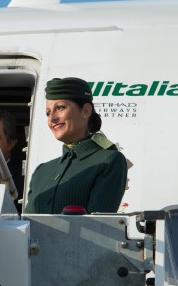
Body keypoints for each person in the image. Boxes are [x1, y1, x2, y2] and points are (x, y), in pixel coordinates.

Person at [24, 77, 127, 214]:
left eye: (60, 108)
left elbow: (97, 226)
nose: (52, 118)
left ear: (86, 110)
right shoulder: (41, 172)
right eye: (48, 113)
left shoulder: (109, 161)